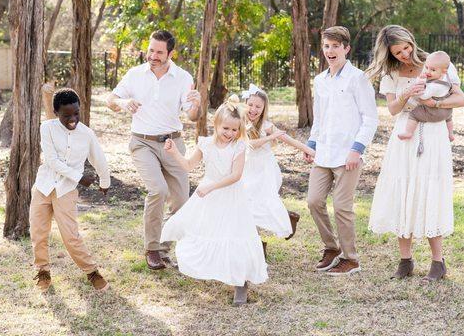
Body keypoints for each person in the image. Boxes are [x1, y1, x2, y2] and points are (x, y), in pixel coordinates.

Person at [366, 25, 464, 281]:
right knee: (404, 191)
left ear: (411, 41)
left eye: (406, 47)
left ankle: (437, 262)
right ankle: (405, 260)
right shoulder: (391, 73)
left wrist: (435, 104)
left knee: (429, 191)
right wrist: (405, 94)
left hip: (433, 134)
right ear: (389, 53)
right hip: (405, 133)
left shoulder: (435, 62)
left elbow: (460, 99)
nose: (404, 54)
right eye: (398, 52)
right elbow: (391, 109)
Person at [106, 30, 201, 270]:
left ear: (170, 53)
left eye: (159, 52)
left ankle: (164, 247)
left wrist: (197, 105)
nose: (153, 56)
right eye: (151, 50)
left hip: (172, 143)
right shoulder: (135, 74)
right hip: (142, 142)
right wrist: (122, 102)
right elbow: (111, 100)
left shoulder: (182, 77)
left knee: (180, 200)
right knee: (157, 190)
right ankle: (152, 250)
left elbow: (192, 115)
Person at [160, 96, 267, 306]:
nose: (230, 134)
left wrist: (210, 186)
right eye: (226, 128)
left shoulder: (239, 146)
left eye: (235, 130)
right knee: (209, 232)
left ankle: (241, 284)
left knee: (235, 235)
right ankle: (217, 270)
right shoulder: (206, 144)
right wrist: (173, 152)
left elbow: (235, 175)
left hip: (230, 194)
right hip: (208, 195)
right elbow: (188, 165)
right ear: (216, 124)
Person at [304, 26, 379, 275]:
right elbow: (319, 117)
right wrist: (311, 145)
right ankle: (331, 247)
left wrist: (357, 150)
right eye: (326, 46)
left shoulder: (358, 78)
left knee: (342, 206)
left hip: (348, 155)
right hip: (323, 152)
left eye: (335, 46)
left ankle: (351, 258)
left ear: (346, 48)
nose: (330, 51)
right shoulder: (320, 80)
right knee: (314, 201)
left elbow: (370, 118)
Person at [30, 88, 111, 292]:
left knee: (70, 235)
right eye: (67, 115)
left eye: (76, 113)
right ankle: (43, 271)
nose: (73, 119)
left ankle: (91, 271)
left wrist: (105, 181)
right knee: (39, 232)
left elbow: (98, 158)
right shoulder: (47, 128)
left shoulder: (86, 134)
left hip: (66, 191)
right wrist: (80, 178)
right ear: (56, 113)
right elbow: (52, 161)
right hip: (44, 186)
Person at [241, 84, 315, 254]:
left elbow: (288, 139)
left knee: (258, 204)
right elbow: (247, 144)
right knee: (246, 206)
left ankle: (262, 242)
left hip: (264, 170)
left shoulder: (266, 126)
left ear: (264, 108)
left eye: (258, 106)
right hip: (245, 168)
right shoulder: (239, 123)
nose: (253, 109)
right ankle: (258, 245)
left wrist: (309, 150)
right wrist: (270, 138)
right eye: (250, 105)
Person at [398, 51, 455, 144]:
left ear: (444, 71)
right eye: (427, 68)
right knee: (449, 118)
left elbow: (424, 96)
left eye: (433, 70)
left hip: (435, 112)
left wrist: (419, 82)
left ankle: (408, 132)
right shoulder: (445, 81)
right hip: (447, 112)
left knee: (414, 113)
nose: (428, 72)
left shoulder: (435, 85)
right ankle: (451, 134)